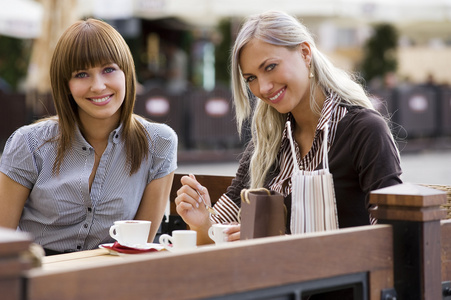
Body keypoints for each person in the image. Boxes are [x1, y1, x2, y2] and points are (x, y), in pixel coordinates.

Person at [175, 10, 402, 245]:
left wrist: (272, 242)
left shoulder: (364, 130)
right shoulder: (266, 144)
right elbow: (217, 237)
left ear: (305, 53)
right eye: (251, 78)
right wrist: (201, 223)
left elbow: (391, 237)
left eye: (270, 66)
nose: (263, 88)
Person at [0, 19, 178, 255]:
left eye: (109, 70)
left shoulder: (159, 143)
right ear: (66, 85)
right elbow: (4, 239)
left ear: (126, 72)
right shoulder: (29, 143)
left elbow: (139, 245)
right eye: (82, 74)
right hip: (39, 275)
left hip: (114, 276)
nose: (98, 86)